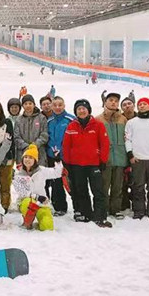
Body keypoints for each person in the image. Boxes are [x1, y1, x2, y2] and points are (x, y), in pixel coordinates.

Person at [62, 99, 112, 228]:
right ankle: (86, 213)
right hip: (77, 165)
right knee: (81, 190)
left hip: (94, 164)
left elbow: (105, 144)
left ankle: (100, 216)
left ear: (88, 110)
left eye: (84, 108)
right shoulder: (71, 126)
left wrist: (103, 160)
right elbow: (66, 145)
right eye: (79, 109)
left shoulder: (98, 125)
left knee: (98, 191)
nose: (81, 111)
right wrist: (67, 163)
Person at [95, 89, 128, 219]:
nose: (114, 103)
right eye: (111, 100)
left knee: (117, 187)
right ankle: (103, 208)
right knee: (104, 186)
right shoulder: (98, 120)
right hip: (105, 159)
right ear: (105, 102)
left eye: (116, 101)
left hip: (120, 158)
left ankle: (115, 209)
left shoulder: (123, 119)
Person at [13, 144, 62, 230]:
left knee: (47, 226)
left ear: (35, 160)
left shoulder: (41, 170)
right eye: (25, 157)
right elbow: (22, 192)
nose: (27, 160)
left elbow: (57, 173)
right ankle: (27, 221)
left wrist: (58, 161)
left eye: (30, 158)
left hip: (42, 203)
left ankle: (41, 221)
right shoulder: (18, 175)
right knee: (28, 202)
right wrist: (37, 197)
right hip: (26, 202)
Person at [46, 96, 75, 216]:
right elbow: (48, 137)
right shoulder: (49, 121)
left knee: (71, 182)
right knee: (56, 182)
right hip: (52, 156)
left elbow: (74, 138)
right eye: (55, 105)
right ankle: (59, 207)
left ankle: (78, 206)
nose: (57, 107)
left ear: (64, 105)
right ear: (52, 106)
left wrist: (62, 151)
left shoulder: (71, 119)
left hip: (67, 157)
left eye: (60, 105)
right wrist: (52, 151)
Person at [14, 94, 49, 167]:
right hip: (23, 154)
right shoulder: (18, 120)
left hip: (39, 154)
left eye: (30, 103)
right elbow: (16, 137)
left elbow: (44, 135)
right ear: (23, 106)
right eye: (25, 104)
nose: (28, 106)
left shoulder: (42, 118)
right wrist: (26, 146)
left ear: (34, 104)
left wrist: (34, 145)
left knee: (38, 173)